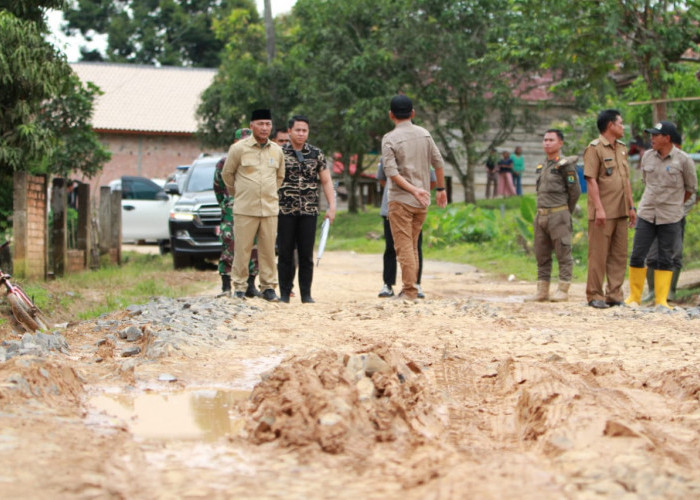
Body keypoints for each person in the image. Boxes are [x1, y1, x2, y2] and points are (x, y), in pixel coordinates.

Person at [624, 121, 697, 309]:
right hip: (647, 213)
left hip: (671, 216)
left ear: (667, 138)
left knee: (665, 257)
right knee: (637, 254)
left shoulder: (683, 160)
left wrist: (674, 203)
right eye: (651, 135)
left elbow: (690, 189)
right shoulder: (647, 156)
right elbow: (645, 181)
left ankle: (661, 300)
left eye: (656, 135)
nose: (652, 138)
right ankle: (634, 297)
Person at [381, 94, 447, 300]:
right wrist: (441, 189)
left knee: (403, 247)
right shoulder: (425, 134)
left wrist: (412, 190)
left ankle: (409, 290)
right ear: (413, 113)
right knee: (413, 244)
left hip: (401, 199)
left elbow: (391, 173)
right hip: (422, 201)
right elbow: (439, 163)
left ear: (391, 115)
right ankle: (414, 287)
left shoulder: (389, 138)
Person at [222, 109, 285, 302]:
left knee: (267, 250)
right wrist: (240, 192)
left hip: (269, 208)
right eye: (260, 124)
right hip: (245, 208)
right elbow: (227, 175)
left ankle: (268, 287)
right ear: (251, 126)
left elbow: (279, 177)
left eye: (268, 124)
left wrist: (267, 192)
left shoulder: (277, 150)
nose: (264, 128)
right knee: (242, 249)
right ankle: (240, 287)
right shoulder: (239, 149)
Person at [277, 115, 336, 304]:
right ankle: (285, 293)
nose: (301, 134)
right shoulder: (279, 153)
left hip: (309, 211)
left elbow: (326, 181)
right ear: (289, 131)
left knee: (306, 254)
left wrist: (332, 206)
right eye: (298, 130)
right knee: (285, 253)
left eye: (305, 130)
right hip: (284, 210)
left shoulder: (316, 154)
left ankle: (306, 294)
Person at [583, 109, 636, 309]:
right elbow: (591, 180)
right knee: (598, 254)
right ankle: (595, 294)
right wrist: (599, 209)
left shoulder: (621, 148)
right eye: (620, 123)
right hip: (602, 213)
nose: (623, 127)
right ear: (610, 126)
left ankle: (614, 294)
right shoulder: (594, 148)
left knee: (619, 254)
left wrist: (631, 206)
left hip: (621, 210)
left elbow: (625, 180)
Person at [525, 130, 580, 302]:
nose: (547, 143)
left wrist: (565, 211)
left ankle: (563, 289)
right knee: (541, 254)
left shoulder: (566, 166)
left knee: (563, 252)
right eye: (545, 140)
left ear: (560, 143)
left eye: (551, 140)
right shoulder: (543, 166)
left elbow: (575, 191)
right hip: (541, 215)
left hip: (558, 214)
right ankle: (542, 290)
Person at [642, 128, 695, 303]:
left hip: (675, 216)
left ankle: (669, 291)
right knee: (652, 254)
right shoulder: (650, 158)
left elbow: (690, 192)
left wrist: (677, 209)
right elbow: (647, 184)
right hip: (654, 215)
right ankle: (653, 291)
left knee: (674, 254)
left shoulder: (684, 161)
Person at [377, 161, 436, 299]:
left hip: (414, 206)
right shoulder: (387, 152)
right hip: (391, 208)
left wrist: (419, 193)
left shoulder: (420, 153)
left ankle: (416, 284)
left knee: (415, 246)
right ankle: (388, 284)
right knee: (391, 247)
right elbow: (381, 179)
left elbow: (432, 180)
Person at [213, 128, 261, 297]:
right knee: (229, 246)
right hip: (231, 212)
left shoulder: (257, 162)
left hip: (252, 209)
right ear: (234, 144)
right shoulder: (224, 163)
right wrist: (227, 204)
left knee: (253, 247)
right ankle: (226, 286)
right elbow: (218, 188)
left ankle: (250, 286)